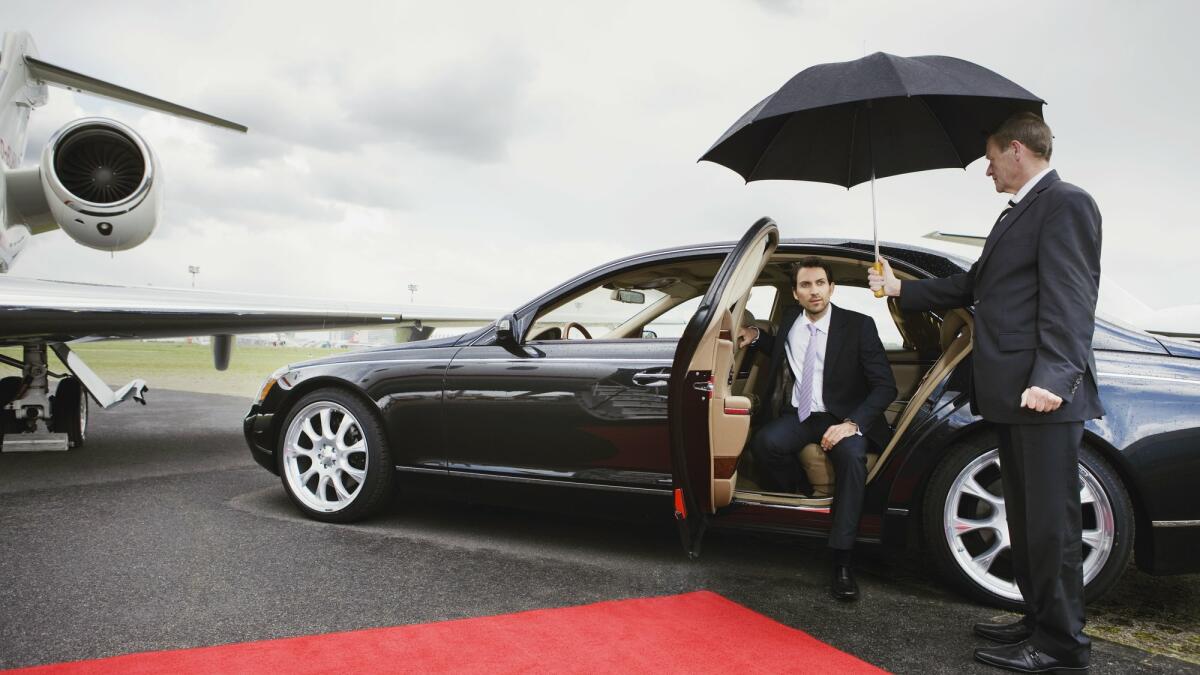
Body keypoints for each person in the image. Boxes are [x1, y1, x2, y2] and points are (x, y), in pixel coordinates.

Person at [869, 112, 1102, 673]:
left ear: (1017, 150)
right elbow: (973, 286)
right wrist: (899, 287)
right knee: (1025, 519)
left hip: (1041, 395)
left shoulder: (1067, 203)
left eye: (990, 157)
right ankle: (1040, 618)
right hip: (1012, 394)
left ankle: (1062, 647)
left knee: (1050, 523)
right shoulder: (1016, 214)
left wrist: (1053, 378)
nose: (987, 170)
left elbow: (1072, 299)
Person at [738, 256, 897, 602]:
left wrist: (852, 424)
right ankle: (800, 496)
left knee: (854, 459)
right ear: (795, 293)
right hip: (801, 414)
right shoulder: (792, 319)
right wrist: (753, 336)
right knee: (764, 443)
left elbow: (886, 387)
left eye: (820, 284)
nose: (814, 292)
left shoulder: (858, 326)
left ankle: (842, 559)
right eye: (806, 285)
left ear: (831, 287)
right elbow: (779, 347)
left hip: (843, 416)